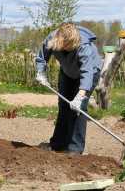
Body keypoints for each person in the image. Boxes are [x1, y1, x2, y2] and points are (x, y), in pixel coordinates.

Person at [35, 22, 102, 154]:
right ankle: (58, 144)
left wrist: (80, 95)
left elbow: (87, 73)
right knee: (64, 105)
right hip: (67, 72)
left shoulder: (84, 46)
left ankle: (75, 149)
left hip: (89, 73)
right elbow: (42, 57)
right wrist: (40, 73)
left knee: (79, 109)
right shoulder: (52, 39)